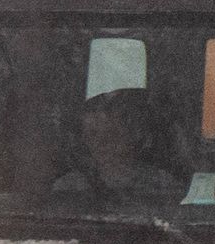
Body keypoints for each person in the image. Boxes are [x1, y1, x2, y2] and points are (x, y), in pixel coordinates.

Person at [59, 86, 190, 207]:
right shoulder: (69, 187)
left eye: (111, 133)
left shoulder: (163, 184)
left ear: (133, 135)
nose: (101, 142)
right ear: (84, 140)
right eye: (93, 134)